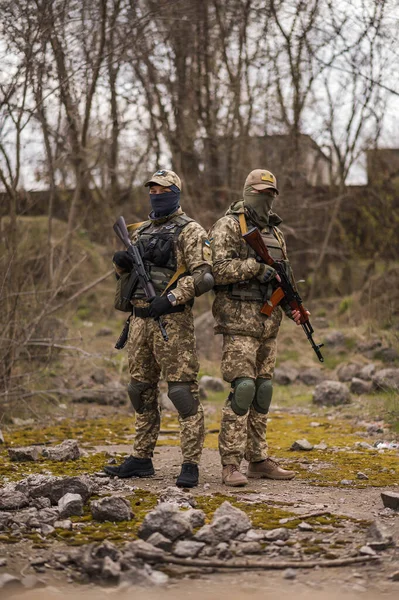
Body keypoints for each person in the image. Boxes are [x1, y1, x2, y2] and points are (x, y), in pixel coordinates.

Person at [104, 169, 213, 488]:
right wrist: (120, 263)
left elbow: (206, 276)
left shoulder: (191, 230)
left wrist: (173, 297)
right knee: (140, 390)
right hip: (138, 322)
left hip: (172, 322)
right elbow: (124, 279)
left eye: (162, 189)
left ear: (175, 192)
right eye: (151, 189)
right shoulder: (140, 231)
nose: (156, 193)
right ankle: (141, 458)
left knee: (181, 392)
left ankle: (190, 463)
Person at [210, 168, 304, 487]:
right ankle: (230, 464)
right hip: (237, 323)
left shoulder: (276, 234)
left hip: (268, 325)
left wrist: (295, 309)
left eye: (270, 194)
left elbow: (283, 278)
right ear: (247, 192)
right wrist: (254, 268)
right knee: (243, 390)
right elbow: (216, 270)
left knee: (262, 392)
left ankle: (258, 459)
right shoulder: (227, 226)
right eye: (260, 193)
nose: (265, 199)